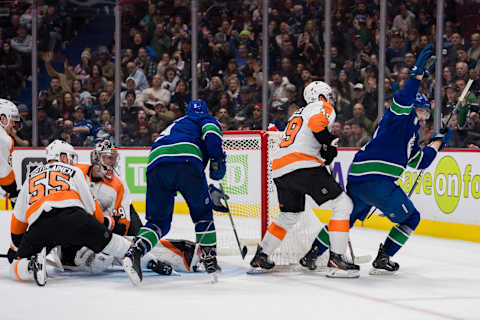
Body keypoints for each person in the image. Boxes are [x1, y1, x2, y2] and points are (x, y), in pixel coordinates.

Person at [301, 45, 451, 275]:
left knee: (345, 219)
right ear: (417, 108)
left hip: (360, 179)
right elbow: (403, 98)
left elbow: (418, 161)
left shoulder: (408, 135)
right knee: (411, 218)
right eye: (424, 112)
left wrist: (438, 142)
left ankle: (312, 255)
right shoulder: (402, 115)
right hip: (378, 181)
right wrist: (416, 74)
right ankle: (384, 257)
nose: (424, 118)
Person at [249, 81, 360, 278]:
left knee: (289, 215)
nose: (331, 99)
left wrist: (326, 150)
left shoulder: (297, 113)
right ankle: (337, 259)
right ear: (321, 95)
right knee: (343, 205)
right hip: (303, 165)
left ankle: (261, 256)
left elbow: (308, 138)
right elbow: (318, 127)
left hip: (280, 169)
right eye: (329, 95)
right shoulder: (320, 106)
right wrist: (328, 142)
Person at [8, 140, 149, 286]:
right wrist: (104, 225)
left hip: (40, 224)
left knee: (15, 266)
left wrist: (18, 246)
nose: (72, 161)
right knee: (109, 242)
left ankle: (30, 265)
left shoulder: (29, 178)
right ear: (62, 157)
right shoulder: (75, 171)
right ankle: (134, 253)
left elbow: (17, 221)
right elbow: (92, 209)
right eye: (70, 157)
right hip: (74, 217)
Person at [122, 100, 226, 285]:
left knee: (158, 222)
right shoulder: (206, 118)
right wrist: (218, 160)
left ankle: (135, 252)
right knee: (202, 214)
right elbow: (211, 135)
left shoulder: (178, 123)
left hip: (155, 164)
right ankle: (210, 261)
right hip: (186, 161)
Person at [58, 140, 199, 273]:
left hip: (114, 219)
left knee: (137, 239)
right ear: (96, 158)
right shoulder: (77, 172)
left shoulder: (118, 185)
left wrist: (107, 229)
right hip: (84, 219)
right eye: (108, 158)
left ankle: (173, 256)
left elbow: (122, 224)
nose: (111, 162)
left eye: (113, 158)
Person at [0, 99, 21, 206]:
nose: (13, 123)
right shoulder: (4, 139)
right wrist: (13, 191)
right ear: (3, 118)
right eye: (11, 119)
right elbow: (4, 174)